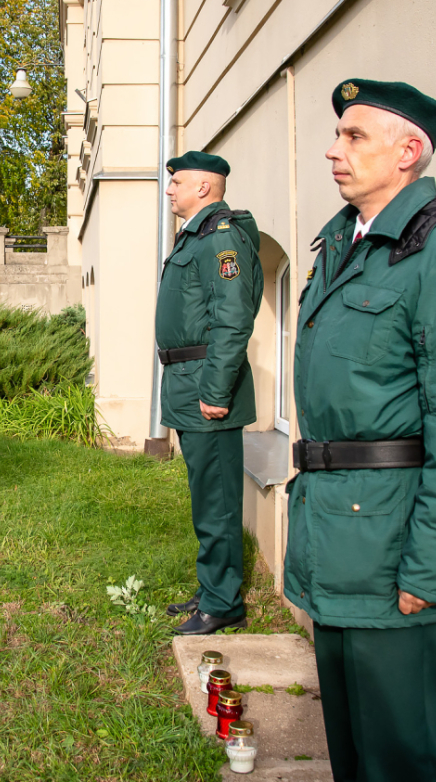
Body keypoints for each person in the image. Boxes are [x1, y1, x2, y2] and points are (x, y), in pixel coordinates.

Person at [285, 79, 436, 781]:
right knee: (356, 754)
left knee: (400, 760)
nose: (333, 150)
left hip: (392, 553)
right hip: (336, 538)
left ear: (409, 151)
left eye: (354, 137)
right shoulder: (347, 243)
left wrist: (435, 569)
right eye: (337, 135)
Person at [155, 150, 265, 636]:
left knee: (217, 499)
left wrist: (216, 389)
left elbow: (233, 318)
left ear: (204, 187)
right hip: (187, 381)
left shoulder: (222, 239)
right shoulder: (197, 236)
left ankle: (223, 603)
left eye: (177, 181)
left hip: (206, 387)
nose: (169, 188)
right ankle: (212, 587)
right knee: (206, 496)